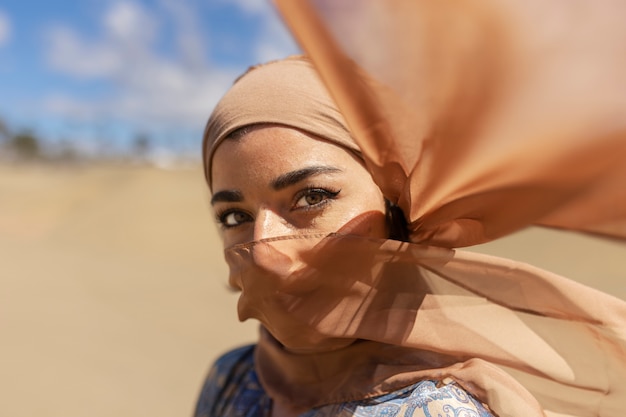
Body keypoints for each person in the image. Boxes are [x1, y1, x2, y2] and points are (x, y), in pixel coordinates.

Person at [195, 56, 626, 417]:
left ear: (394, 202)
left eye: (312, 197)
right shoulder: (232, 379)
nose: (266, 252)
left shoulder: (432, 408)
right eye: (234, 216)